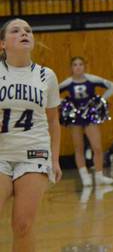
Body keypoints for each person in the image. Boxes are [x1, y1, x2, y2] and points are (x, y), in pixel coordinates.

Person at [0, 19, 62, 249]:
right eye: (15, 31)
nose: (24, 33)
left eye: (28, 30)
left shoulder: (47, 75)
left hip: (34, 152)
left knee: (23, 225)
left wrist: (54, 159)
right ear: (2, 44)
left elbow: (53, 121)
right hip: (1, 152)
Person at [58, 56, 113, 187]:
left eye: (80, 64)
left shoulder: (92, 79)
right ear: (71, 68)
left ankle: (99, 175)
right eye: (75, 65)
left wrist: (101, 99)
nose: (78, 67)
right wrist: (64, 102)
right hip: (75, 116)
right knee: (78, 147)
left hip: (90, 115)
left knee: (97, 147)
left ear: (84, 66)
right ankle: (84, 176)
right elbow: (51, 94)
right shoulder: (67, 83)